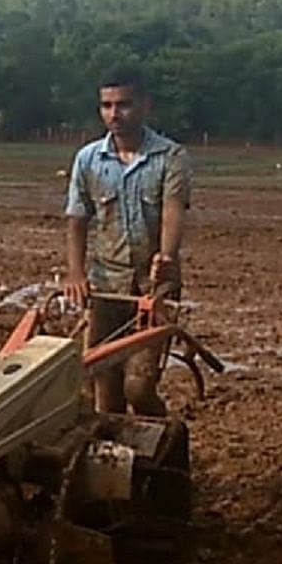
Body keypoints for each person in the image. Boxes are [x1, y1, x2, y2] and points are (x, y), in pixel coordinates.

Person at [63, 66, 194, 416]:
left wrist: (165, 258)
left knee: (137, 387)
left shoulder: (170, 158)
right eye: (106, 105)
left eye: (123, 104)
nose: (114, 114)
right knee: (105, 392)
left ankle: (165, 445)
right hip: (106, 286)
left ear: (145, 106)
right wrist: (75, 273)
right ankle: (122, 462)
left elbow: (172, 211)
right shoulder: (88, 159)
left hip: (152, 288)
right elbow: (77, 219)